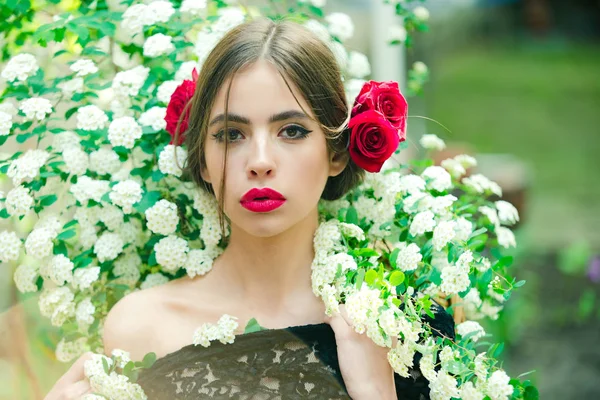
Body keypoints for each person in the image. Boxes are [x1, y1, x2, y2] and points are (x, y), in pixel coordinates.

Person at [44, 17, 454, 400]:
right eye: (231, 134)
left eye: (291, 131)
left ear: (337, 152)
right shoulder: (139, 326)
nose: (259, 160)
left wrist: (373, 389)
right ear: (202, 158)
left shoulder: (404, 324)